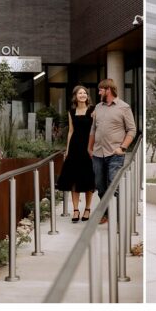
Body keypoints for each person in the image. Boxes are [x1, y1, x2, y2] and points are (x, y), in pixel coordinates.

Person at [87, 78, 136, 223]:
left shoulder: (124, 107)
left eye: (101, 90)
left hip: (115, 153)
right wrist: (89, 148)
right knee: (101, 187)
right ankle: (107, 213)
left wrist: (122, 147)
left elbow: (132, 130)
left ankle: (120, 217)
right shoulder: (98, 107)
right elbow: (93, 129)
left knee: (114, 186)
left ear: (108, 90)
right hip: (97, 153)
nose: (99, 92)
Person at [56, 86, 96, 222]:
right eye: (80, 93)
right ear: (75, 96)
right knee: (74, 180)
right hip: (74, 148)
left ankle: (88, 208)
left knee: (88, 180)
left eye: (85, 92)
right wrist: (67, 150)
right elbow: (70, 131)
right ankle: (75, 210)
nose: (83, 95)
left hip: (88, 148)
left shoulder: (93, 110)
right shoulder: (71, 112)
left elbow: (96, 129)